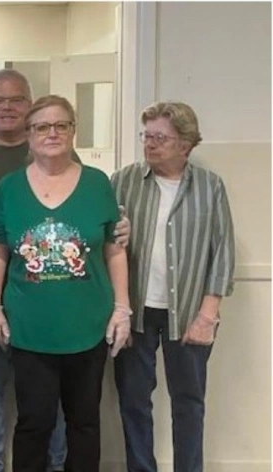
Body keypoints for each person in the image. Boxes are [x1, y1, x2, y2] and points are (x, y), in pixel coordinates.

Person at [0, 69, 130, 472]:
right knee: (31, 418)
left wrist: (122, 308)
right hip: (25, 320)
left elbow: (113, 245)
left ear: (73, 131)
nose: (52, 133)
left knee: (83, 420)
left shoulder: (97, 182)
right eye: (43, 127)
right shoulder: (5, 184)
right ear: (30, 134)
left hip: (86, 321)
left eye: (61, 125)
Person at [112, 101, 235, 472]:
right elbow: (106, 244)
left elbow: (222, 252)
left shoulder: (210, 186)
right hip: (136, 309)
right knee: (134, 401)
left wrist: (208, 315)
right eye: (146, 136)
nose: (149, 144)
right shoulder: (123, 181)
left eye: (160, 138)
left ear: (186, 144)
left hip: (190, 313)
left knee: (189, 403)